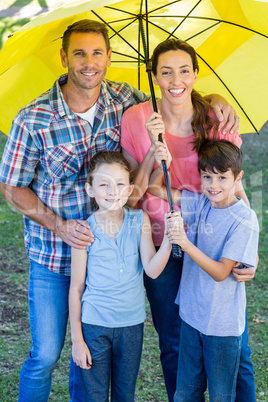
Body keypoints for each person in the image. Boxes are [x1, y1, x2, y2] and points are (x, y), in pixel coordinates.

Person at [0, 19, 242, 401]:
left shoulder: (124, 100)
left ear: (110, 57)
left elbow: (175, 90)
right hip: (56, 253)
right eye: (79, 53)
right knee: (46, 354)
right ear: (64, 57)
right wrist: (60, 225)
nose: (89, 61)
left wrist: (213, 99)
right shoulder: (34, 118)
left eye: (97, 52)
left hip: (114, 254)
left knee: (111, 354)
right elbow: (10, 187)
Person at [120, 38, 257, 401]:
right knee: (174, 342)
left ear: (197, 74)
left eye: (184, 70)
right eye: (165, 71)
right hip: (163, 244)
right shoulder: (136, 120)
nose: (175, 79)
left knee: (234, 343)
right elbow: (133, 195)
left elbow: (234, 186)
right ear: (153, 75)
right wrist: (152, 149)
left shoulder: (217, 117)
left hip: (213, 244)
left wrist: (247, 250)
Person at [153, 139, 259, 401]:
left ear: (238, 177)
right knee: (185, 392)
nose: (213, 185)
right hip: (192, 316)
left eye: (222, 177)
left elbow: (222, 272)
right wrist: (160, 162)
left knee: (222, 395)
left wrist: (184, 243)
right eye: (207, 177)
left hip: (222, 327)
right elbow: (155, 187)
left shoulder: (244, 218)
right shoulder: (200, 203)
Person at [69, 150, 177, 401]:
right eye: (103, 184)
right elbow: (76, 289)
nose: (112, 191)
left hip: (131, 325)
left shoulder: (140, 220)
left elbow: (151, 269)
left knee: (124, 394)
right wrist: (77, 340)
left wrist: (171, 239)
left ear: (129, 190)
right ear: (90, 189)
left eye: (119, 184)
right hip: (95, 325)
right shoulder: (83, 231)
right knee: (94, 395)